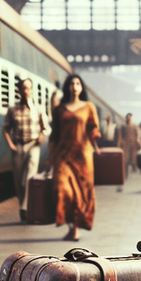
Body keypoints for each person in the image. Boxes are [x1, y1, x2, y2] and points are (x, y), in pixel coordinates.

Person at [48, 74, 100, 241]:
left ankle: (75, 228)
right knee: (62, 190)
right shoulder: (59, 110)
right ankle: (71, 225)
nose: (75, 86)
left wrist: (96, 146)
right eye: (72, 83)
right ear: (67, 87)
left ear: (81, 87)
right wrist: (49, 158)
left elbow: (93, 129)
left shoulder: (88, 107)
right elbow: (54, 135)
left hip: (83, 156)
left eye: (78, 83)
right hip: (63, 155)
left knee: (81, 194)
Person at [2, 77, 49, 222]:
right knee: (18, 181)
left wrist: (41, 136)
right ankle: (23, 203)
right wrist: (10, 144)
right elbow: (5, 129)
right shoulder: (13, 110)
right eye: (24, 88)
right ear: (19, 91)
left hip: (33, 145)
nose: (27, 91)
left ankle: (25, 207)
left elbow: (45, 128)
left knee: (29, 176)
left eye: (29, 88)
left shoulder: (39, 109)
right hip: (18, 146)